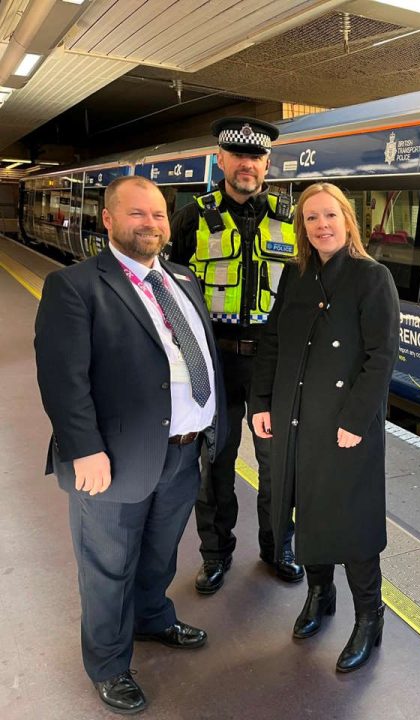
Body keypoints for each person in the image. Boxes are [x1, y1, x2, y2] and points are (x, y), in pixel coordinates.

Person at [34, 175, 227, 714]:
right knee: (108, 566)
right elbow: (61, 377)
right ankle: (108, 663)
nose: (152, 224)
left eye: (160, 214)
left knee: (161, 552)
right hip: (113, 458)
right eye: (138, 213)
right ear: (110, 220)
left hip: (183, 451)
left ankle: (152, 618)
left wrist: (216, 428)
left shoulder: (183, 279)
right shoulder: (75, 285)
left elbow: (201, 359)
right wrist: (82, 448)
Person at [251, 182, 400, 672]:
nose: (321, 225)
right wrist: (262, 402)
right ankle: (319, 596)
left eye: (329, 215)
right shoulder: (295, 277)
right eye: (311, 218)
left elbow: (381, 358)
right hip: (297, 418)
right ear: (302, 228)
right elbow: (272, 341)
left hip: (346, 426)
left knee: (351, 521)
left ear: (347, 220)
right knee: (306, 508)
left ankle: (369, 616)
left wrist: (356, 420)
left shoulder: (371, 277)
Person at [168, 116, 303, 594]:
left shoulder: (292, 221)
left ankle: (277, 547)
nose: (247, 165)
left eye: (256, 157)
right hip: (215, 361)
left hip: (273, 363)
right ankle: (215, 553)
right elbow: (170, 293)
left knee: (276, 460)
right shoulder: (191, 218)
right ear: (220, 160)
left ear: (267, 163)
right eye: (238, 156)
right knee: (216, 462)